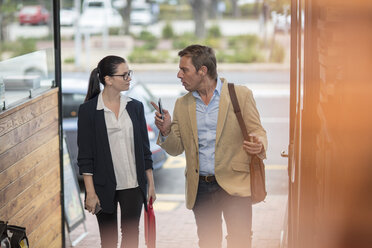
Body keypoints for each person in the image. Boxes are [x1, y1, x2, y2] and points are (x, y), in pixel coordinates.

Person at [151, 45, 267, 248]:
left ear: (202, 70)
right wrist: (166, 130)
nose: (179, 75)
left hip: (235, 184)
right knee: (208, 242)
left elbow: (258, 131)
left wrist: (259, 144)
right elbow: (177, 148)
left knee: (240, 240)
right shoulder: (183, 104)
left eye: (184, 70)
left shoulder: (240, 95)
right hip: (201, 187)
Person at [77, 55, 156, 248]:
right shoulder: (88, 111)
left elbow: (145, 151)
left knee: (131, 237)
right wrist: (90, 193)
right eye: (124, 75)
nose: (129, 78)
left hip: (133, 184)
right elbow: (85, 157)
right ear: (108, 80)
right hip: (103, 186)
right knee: (109, 240)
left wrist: (150, 184)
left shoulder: (135, 107)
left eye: (130, 73)